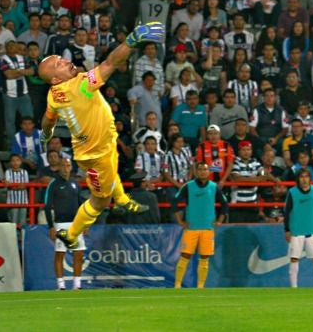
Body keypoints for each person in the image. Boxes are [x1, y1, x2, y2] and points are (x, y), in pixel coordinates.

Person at [39, 21, 165, 249]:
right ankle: (72, 233)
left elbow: (48, 118)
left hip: (98, 146)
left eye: (61, 58)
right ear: (56, 78)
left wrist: (46, 133)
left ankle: (124, 199)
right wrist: (132, 39)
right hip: (95, 154)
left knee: (112, 172)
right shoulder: (81, 86)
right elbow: (111, 62)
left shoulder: (53, 94)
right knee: (100, 200)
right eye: (58, 63)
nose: (65, 60)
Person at [172, 161, 228, 289]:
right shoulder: (188, 186)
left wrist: (220, 220)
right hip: (191, 227)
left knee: (204, 258)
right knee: (185, 255)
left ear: (209, 172)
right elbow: (175, 202)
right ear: (196, 172)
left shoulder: (213, 187)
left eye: (205, 169)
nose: (203, 171)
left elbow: (224, 204)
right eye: (200, 169)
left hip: (207, 228)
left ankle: (201, 286)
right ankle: (177, 284)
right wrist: (180, 221)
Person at [45, 157, 85, 290]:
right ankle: (61, 285)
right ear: (59, 167)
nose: (65, 168)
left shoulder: (75, 184)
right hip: (61, 224)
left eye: (68, 165)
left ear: (71, 167)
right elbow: (47, 206)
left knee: (78, 254)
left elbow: (81, 204)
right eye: (63, 165)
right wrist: (51, 226)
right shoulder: (54, 184)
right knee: (60, 253)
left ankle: (77, 285)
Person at [284, 168, 313, 288]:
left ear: (310, 178)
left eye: (306, 176)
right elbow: (286, 212)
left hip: (312, 231)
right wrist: (287, 230)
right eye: (301, 177)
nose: (304, 179)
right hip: (296, 231)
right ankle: (294, 288)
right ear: (298, 179)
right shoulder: (292, 192)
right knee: (294, 259)